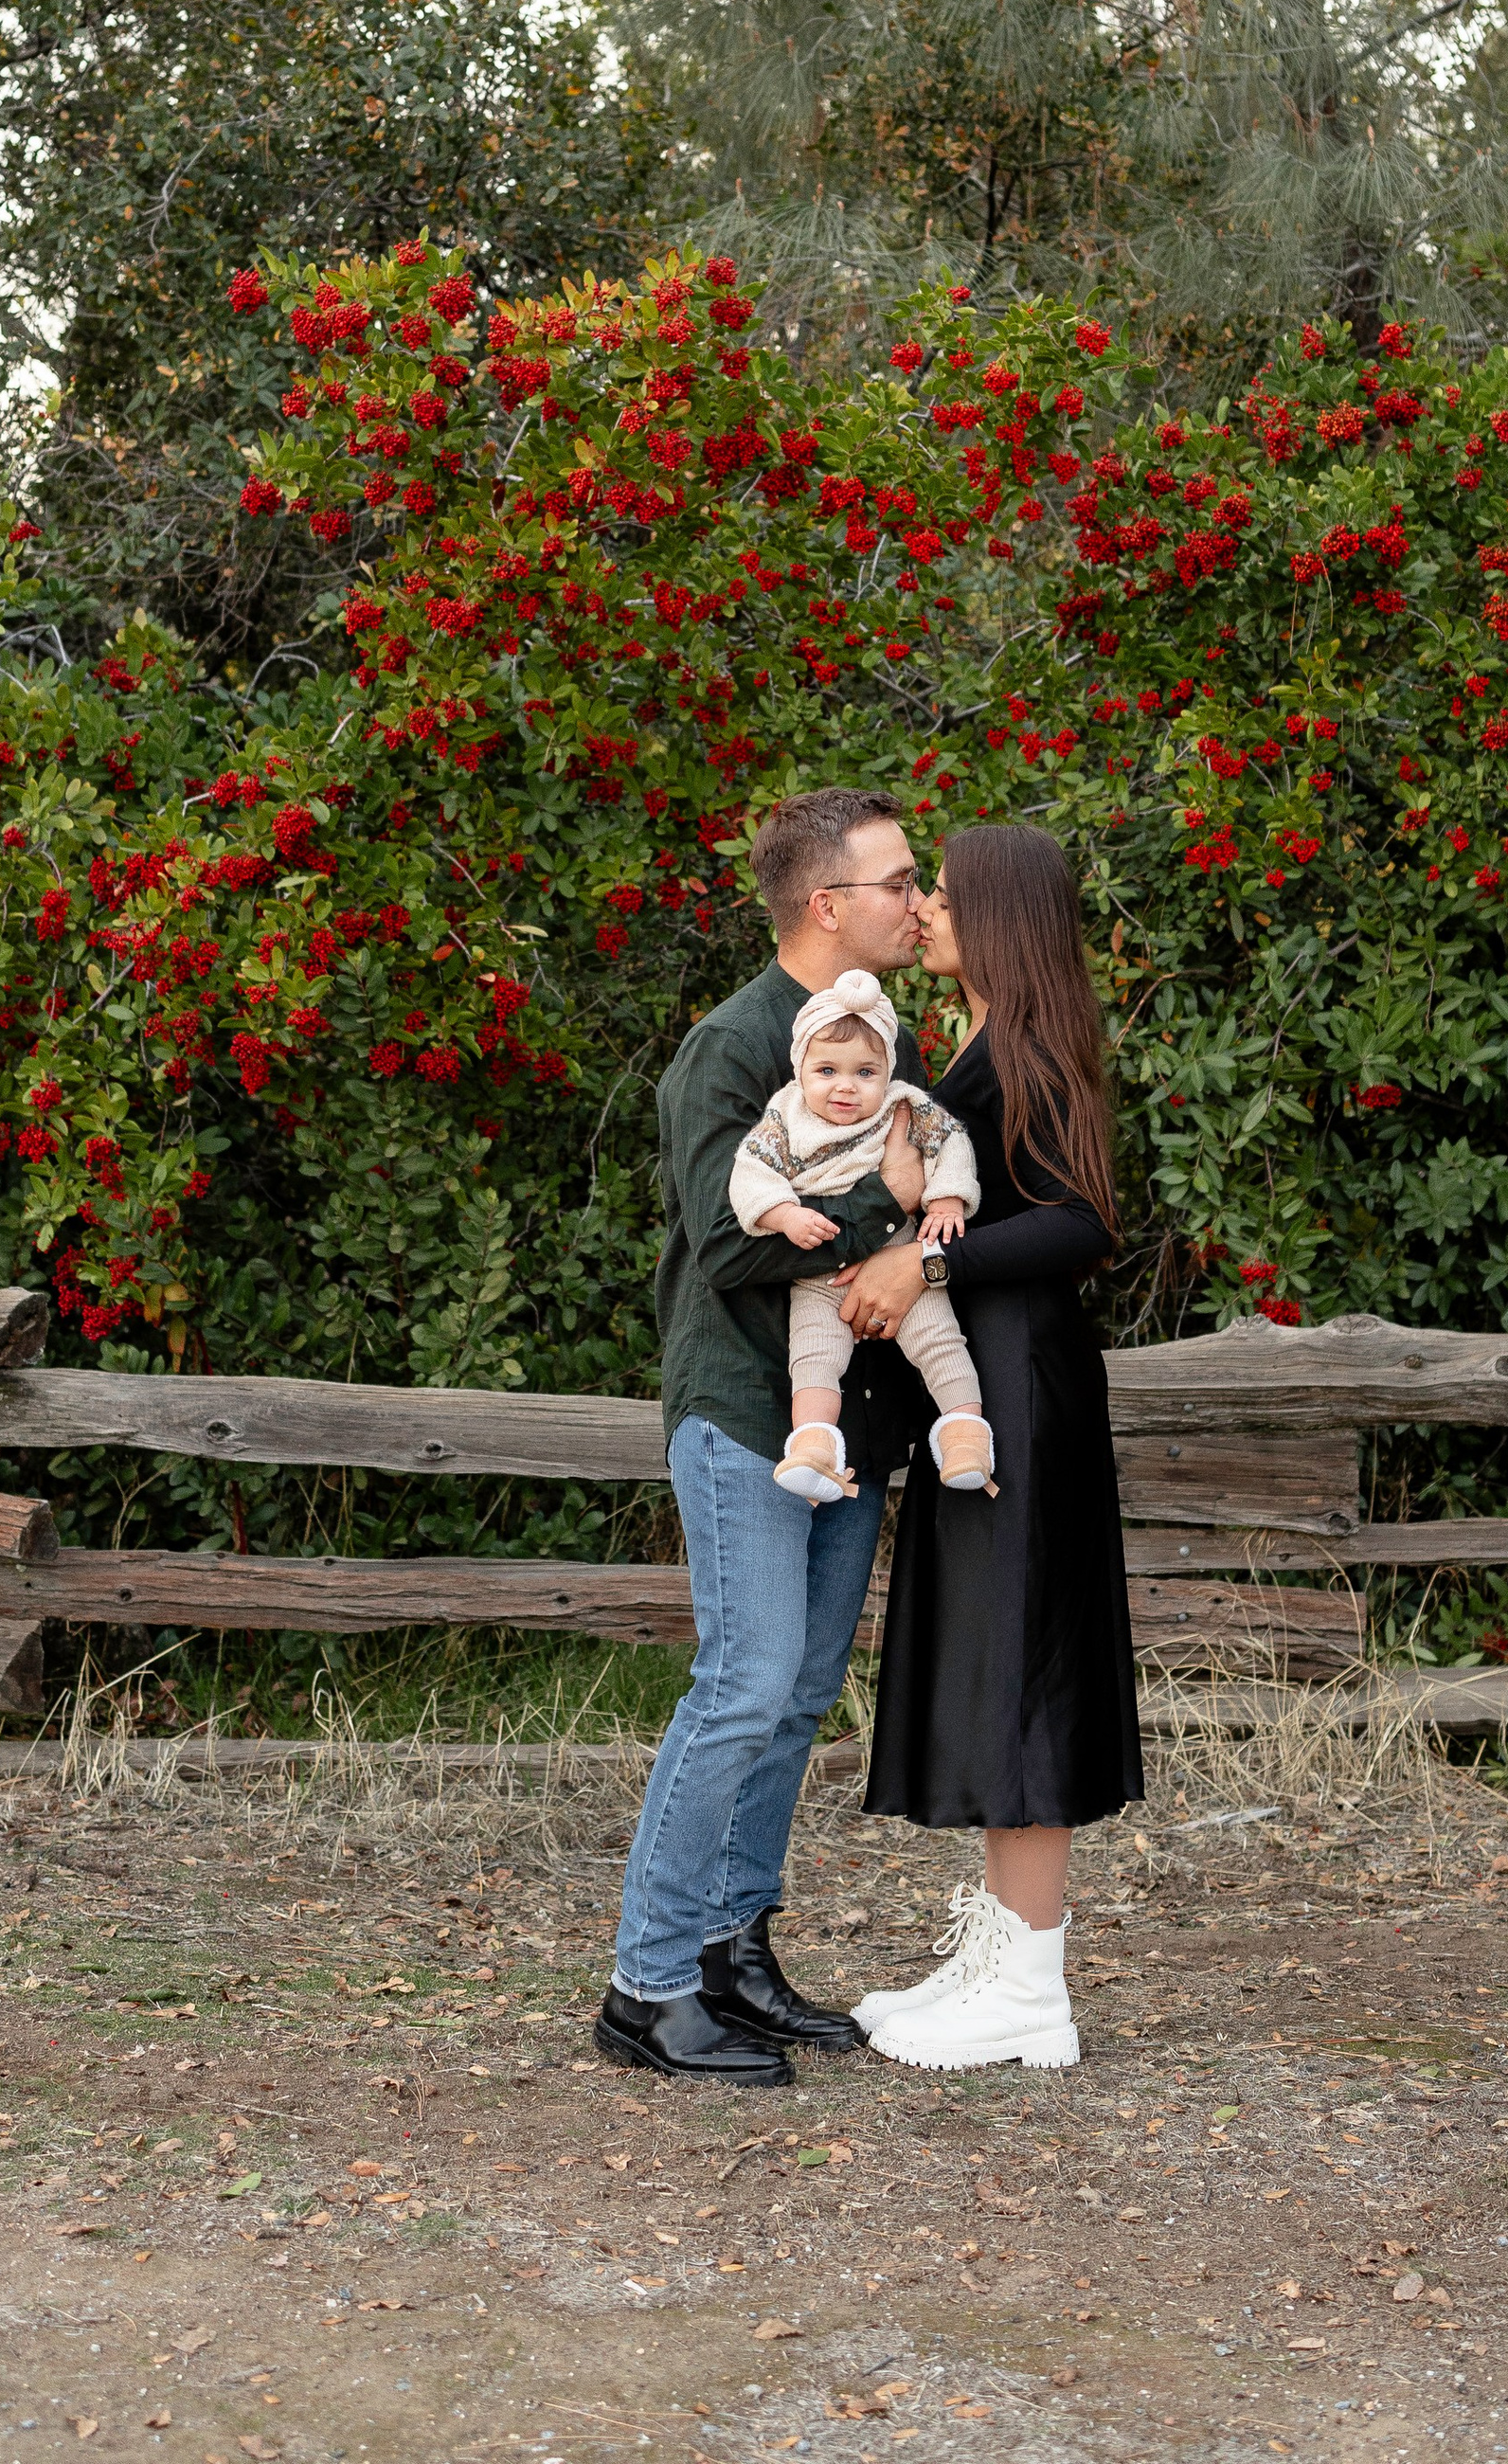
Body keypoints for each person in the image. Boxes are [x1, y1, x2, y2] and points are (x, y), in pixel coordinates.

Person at [594, 784, 933, 2086]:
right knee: (740, 1687)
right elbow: (732, 1244)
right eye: (899, 880)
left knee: (793, 1697)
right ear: (825, 903)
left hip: (847, 1421)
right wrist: (876, 1211)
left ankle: (734, 1949)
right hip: (745, 1409)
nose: (919, 900)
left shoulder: (879, 1044)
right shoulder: (733, 1050)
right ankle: (647, 1983)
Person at [839, 819, 1142, 2072]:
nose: (925, 913)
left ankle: (1032, 1986)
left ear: (1004, 921)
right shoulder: (965, 1044)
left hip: (1023, 1384)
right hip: (984, 1385)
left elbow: (1080, 1223)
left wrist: (927, 1252)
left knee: (1022, 1666)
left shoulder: (1030, 1049)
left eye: (947, 901)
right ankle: (999, 1948)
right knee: (991, 1656)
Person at [727, 965, 991, 1504]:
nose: (845, 1086)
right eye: (827, 1070)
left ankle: (965, 1434)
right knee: (814, 1355)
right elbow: (750, 1171)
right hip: (819, 1273)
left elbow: (953, 1142)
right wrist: (782, 1214)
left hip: (900, 1259)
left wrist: (945, 1195)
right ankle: (814, 1445)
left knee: (939, 1340)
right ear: (801, 1067)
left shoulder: (904, 1106)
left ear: (887, 1071)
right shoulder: (785, 1115)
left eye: (865, 1072)